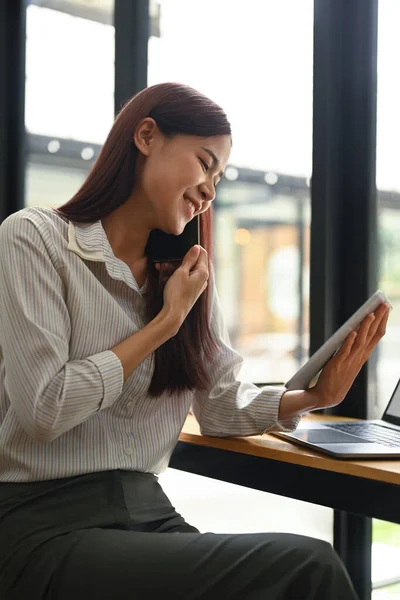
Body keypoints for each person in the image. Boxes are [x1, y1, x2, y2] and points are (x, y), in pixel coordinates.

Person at [0, 82, 389, 600]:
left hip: (148, 515)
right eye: (205, 163)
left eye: (219, 177)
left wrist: (316, 397)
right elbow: (43, 409)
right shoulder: (35, 239)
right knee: (309, 569)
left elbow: (221, 406)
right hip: (40, 527)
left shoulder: (186, 276)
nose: (210, 188)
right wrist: (164, 323)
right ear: (146, 136)